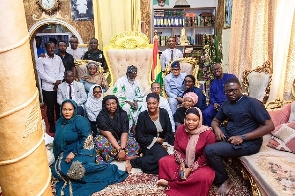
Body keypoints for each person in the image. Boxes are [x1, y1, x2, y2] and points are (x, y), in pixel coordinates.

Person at [205, 78, 275, 195]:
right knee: (205, 136)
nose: (231, 93)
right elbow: (215, 121)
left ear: (240, 89)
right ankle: (206, 168)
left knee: (210, 150)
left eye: (234, 90)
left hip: (249, 142)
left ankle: (225, 180)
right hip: (229, 135)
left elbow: (269, 126)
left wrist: (243, 137)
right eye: (228, 92)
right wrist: (217, 129)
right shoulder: (226, 104)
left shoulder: (252, 103)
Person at [51, 99, 129, 196]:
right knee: (56, 170)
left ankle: (110, 170)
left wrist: (74, 152)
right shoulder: (60, 122)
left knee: (77, 169)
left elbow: (86, 138)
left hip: (83, 150)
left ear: (74, 110)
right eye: (64, 109)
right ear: (61, 110)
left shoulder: (80, 121)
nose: (67, 112)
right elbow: (58, 139)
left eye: (70, 109)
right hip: (67, 150)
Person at [157, 107, 216, 196]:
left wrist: (190, 169)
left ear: (200, 120)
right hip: (184, 160)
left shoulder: (208, 134)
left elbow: (206, 157)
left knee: (204, 177)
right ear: (185, 119)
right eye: (188, 119)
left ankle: (170, 184)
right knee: (164, 161)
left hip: (201, 165)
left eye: (194, 120)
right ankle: (182, 182)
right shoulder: (181, 128)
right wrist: (182, 163)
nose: (190, 122)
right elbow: (177, 148)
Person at [128, 93, 174, 174]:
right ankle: (134, 162)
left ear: (158, 103)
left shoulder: (163, 112)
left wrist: (165, 143)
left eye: (154, 103)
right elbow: (140, 136)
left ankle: (141, 160)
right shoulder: (143, 115)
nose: (151, 106)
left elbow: (168, 130)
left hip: (163, 142)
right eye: (149, 103)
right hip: (148, 143)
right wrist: (156, 140)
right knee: (163, 158)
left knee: (170, 160)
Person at [94, 95, 140, 164]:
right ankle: (123, 157)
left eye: (113, 103)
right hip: (108, 140)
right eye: (108, 104)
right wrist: (119, 149)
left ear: (117, 104)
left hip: (120, 139)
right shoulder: (101, 117)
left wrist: (122, 148)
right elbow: (108, 135)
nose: (111, 106)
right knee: (100, 143)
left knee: (135, 141)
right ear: (104, 105)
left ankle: (117, 156)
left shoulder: (123, 114)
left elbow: (124, 132)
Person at [36, 41, 65, 133]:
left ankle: (59, 123)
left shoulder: (58, 58)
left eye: (53, 47)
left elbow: (62, 70)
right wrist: (54, 82)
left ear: (55, 47)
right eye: (50, 47)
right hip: (48, 88)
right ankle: (52, 125)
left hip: (58, 86)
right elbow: (41, 74)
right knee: (50, 107)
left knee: (58, 106)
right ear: (46, 48)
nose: (52, 49)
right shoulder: (41, 59)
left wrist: (59, 81)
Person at [113, 65, 145, 133]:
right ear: (127, 73)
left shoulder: (137, 82)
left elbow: (140, 94)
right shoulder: (120, 81)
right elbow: (118, 94)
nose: (133, 76)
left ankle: (137, 127)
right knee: (126, 108)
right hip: (123, 101)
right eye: (131, 75)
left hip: (134, 101)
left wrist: (136, 102)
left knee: (142, 106)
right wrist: (129, 103)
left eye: (134, 75)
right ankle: (127, 129)